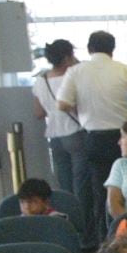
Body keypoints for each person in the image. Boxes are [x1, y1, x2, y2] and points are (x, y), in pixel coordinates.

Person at [57, 30, 127, 245]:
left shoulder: (75, 71)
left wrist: (80, 114)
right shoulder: (126, 70)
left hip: (95, 139)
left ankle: (105, 240)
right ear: (112, 49)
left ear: (89, 48)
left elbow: (62, 104)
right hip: (125, 138)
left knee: (100, 192)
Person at [32, 39, 82, 198]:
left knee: (64, 182)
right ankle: (83, 216)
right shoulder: (72, 78)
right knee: (81, 180)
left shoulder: (41, 80)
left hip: (54, 136)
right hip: (75, 133)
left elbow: (38, 113)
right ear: (67, 58)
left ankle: (68, 213)